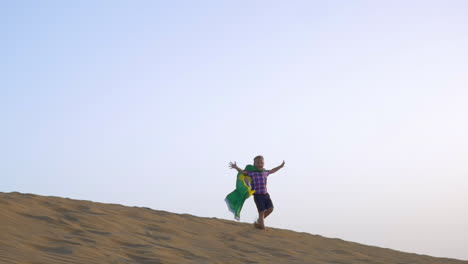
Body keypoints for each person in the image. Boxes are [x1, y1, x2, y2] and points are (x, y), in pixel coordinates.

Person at [229, 155, 285, 230]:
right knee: (261, 212)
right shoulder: (252, 173)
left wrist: (280, 166)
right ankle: (262, 227)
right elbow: (243, 172)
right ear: (254, 164)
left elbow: (272, 170)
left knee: (271, 209)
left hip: (265, 194)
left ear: (263, 163)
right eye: (257, 163)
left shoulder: (265, 172)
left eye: (261, 163)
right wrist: (236, 167)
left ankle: (259, 221)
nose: (259, 164)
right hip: (257, 195)